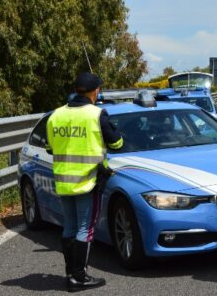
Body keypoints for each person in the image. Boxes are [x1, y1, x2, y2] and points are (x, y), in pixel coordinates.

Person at [46, 72, 123, 292]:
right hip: (88, 181)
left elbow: (51, 148)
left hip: (63, 181)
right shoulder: (97, 114)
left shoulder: (56, 115)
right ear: (95, 91)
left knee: (69, 226)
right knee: (84, 228)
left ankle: (71, 273)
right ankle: (79, 277)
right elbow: (117, 143)